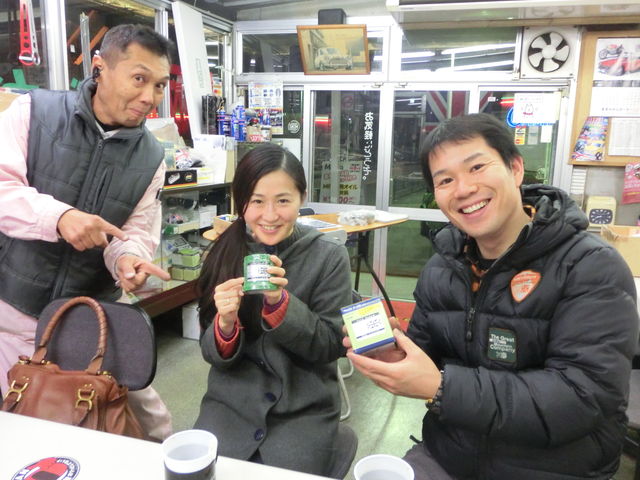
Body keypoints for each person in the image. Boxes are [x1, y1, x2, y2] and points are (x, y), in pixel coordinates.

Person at [344, 113, 639, 479]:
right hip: (448, 456)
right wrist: (395, 354)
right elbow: (427, 355)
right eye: (445, 180)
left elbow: (583, 397)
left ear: (515, 168)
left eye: (477, 167)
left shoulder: (590, 266)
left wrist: (442, 387)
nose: (463, 189)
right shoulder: (442, 266)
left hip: (554, 469)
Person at [0, 24, 174, 440]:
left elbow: (135, 230)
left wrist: (128, 259)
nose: (150, 97)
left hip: (93, 314)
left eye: (159, 85)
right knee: (27, 417)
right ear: (100, 68)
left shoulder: (151, 156)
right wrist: (59, 217)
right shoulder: (33, 112)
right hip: (15, 308)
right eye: (139, 78)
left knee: (149, 425)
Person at [194, 144, 352, 476]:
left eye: (282, 200)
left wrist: (281, 305)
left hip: (302, 411)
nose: (269, 215)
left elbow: (330, 345)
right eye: (256, 201)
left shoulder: (328, 256)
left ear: (302, 198)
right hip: (230, 408)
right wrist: (225, 326)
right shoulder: (222, 252)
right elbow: (210, 352)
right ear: (240, 202)